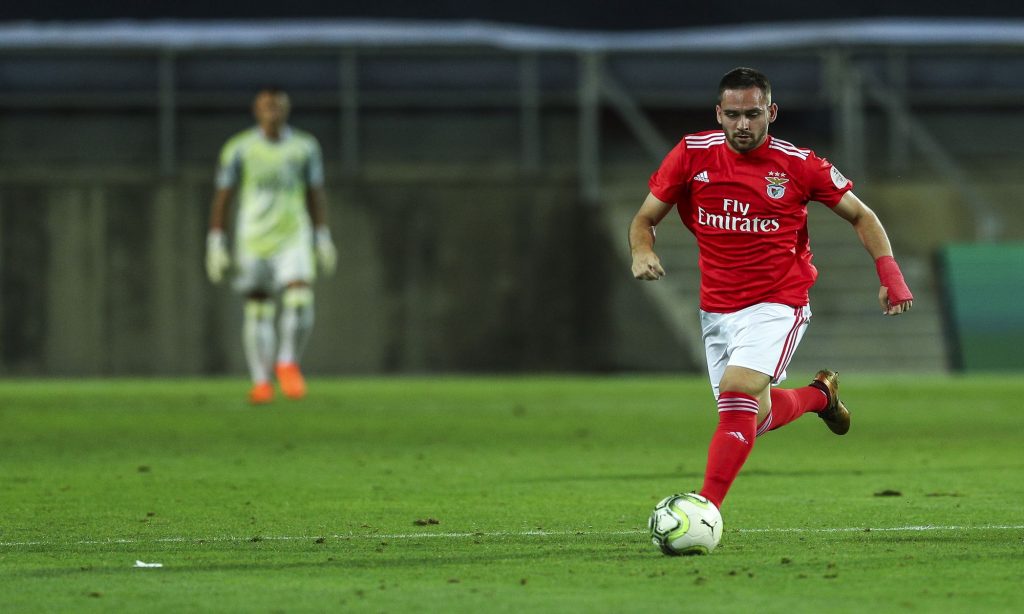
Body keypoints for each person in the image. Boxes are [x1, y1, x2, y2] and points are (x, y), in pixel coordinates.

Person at [629, 67, 913, 512]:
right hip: (717, 310)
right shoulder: (691, 154)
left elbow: (862, 216)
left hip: (778, 302)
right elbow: (644, 218)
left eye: (754, 114)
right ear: (719, 113)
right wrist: (641, 251)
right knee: (749, 418)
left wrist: (890, 275)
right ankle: (821, 396)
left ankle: (706, 507)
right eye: (734, 115)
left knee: (738, 392)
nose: (743, 125)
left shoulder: (800, 165)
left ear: (772, 113)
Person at [205, 87, 337, 405]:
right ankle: (261, 381)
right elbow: (224, 195)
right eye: (267, 105)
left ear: (286, 109)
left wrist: (322, 235)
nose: (272, 111)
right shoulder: (239, 148)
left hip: (293, 234)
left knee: (300, 296)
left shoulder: (304, 147)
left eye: (278, 106)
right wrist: (216, 240)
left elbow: (314, 191)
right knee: (258, 306)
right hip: (253, 236)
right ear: (256, 110)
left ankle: (287, 362)